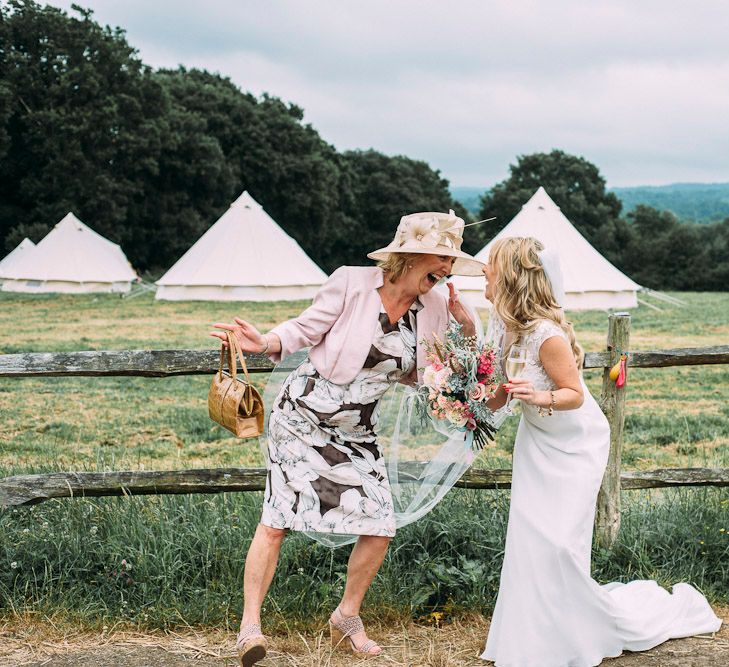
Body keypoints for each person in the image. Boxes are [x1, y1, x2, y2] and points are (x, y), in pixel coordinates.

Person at [211, 210, 483, 665]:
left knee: (380, 524)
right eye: (441, 259)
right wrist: (268, 341)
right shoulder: (351, 283)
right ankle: (250, 628)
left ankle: (346, 616)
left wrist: (467, 329)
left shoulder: (434, 306)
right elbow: (305, 327)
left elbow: (431, 375)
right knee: (278, 520)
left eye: (451, 262)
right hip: (302, 417)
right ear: (412, 255)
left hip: (357, 431)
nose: (448, 270)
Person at [479, 236, 722, 666]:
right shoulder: (505, 328)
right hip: (538, 440)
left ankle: (575, 633)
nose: (483, 270)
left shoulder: (546, 335)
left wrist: (536, 397)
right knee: (530, 538)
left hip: (575, 442)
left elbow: (573, 394)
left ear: (513, 275)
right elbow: (499, 396)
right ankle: (530, 639)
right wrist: (462, 397)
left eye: (491, 265)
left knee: (558, 544)